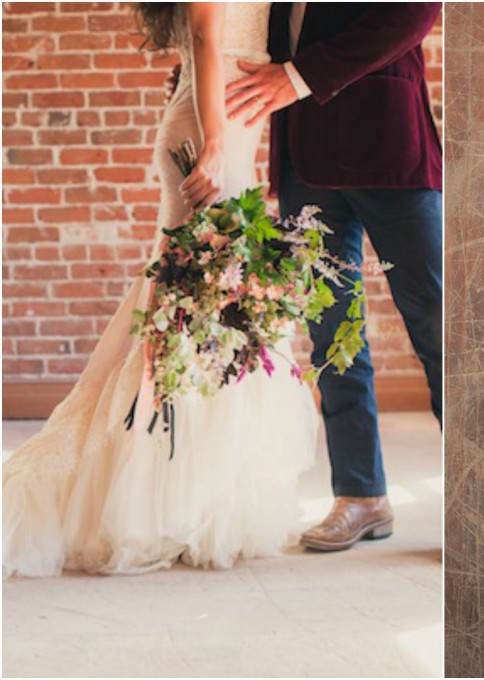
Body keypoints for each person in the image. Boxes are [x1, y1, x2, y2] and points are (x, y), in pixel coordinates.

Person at [2, 2, 318, 577]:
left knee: (219, 308)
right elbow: (202, 31)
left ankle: (200, 498)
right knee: (191, 304)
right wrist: (216, 144)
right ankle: (155, 502)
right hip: (212, 125)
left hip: (234, 117)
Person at [224, 3, 443, 551]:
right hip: (306, 161)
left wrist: (298, 78)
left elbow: (414, 13)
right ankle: (360, 495)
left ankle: (481, 501)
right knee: (332, 336)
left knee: (440, 325)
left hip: (389, 149)